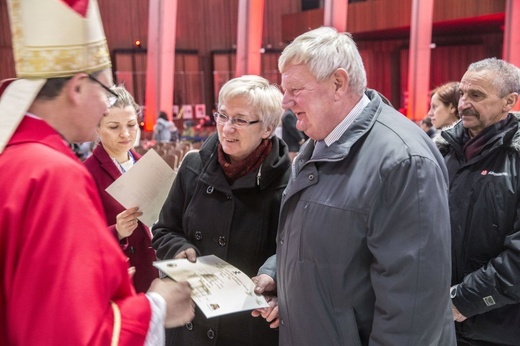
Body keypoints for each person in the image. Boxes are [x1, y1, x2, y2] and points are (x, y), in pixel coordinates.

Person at [0, 1, 194, 344]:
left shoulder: (16, 157)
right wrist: (158, 306)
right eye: (106, 92)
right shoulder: (53, 173)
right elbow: (69, 333)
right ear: (76, 88)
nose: (108, 106)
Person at [252, 26, 456, 345]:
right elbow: (323, 239)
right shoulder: (319, 143)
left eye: (296, 90)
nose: (285, 102)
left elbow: (413, 308)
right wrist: (280, 278)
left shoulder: (403, 161)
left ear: (338, 83)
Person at [152, 75, 291, 346]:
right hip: (192, 323)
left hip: (248, 326)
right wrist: (179, 249)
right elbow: (163, 230)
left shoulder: (288, 181)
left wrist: (273, 280)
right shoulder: (193, 167)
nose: (227, 128)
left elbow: (294, 249)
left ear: (268, 128)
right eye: (223, 115)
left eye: (240, 120)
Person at [435, 58, 520, 346]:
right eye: (462, 93)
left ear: (509, 101)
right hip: (438, 322)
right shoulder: (440, 151)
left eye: (476, 95)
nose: (463, 104)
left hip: (497, 329)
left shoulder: (516, 159)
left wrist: (460, 301)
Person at [84, 86, 159, 293]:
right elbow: (81, 241)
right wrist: (116, 231)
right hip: (120, 274)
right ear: (97, 128)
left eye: (131, 124)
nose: (126, 134)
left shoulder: (145, 164)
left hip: (154, 268)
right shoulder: (86, 174)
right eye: (114, 127)